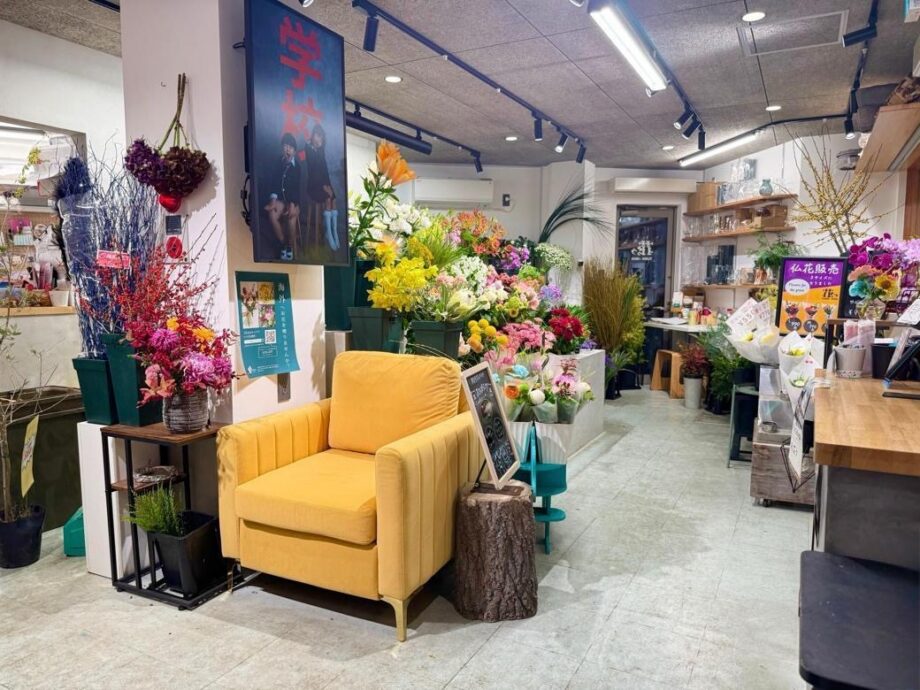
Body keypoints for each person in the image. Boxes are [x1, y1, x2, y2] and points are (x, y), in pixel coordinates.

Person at [264, 132, 301, 261]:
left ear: (294, 151)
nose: (287, 149)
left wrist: (292, 205)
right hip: (281, 200)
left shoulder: (297, 167)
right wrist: (273, 201)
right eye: (285, 146)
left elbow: (296, 189)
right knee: (272, 214)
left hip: (294, 201)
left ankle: (291, 245)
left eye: (290, 147)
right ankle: (283, 242)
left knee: (291, 218)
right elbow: (274, 183)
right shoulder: (279, 163)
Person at [303, 124, 338, 252]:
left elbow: (324, 171)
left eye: (321, 137)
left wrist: (329, 186)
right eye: (317, 135)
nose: (318, 139)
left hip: (323, 184)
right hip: (313, 186)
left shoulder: (320, 150)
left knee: (333, 198)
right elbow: (313, 170)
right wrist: (325, 188)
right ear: (313, 135)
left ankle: (333, 232)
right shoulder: (308, 148)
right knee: (328, 198)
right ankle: (329, 233)